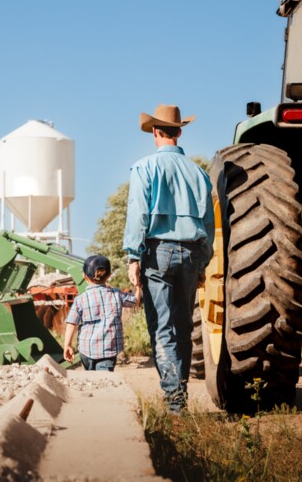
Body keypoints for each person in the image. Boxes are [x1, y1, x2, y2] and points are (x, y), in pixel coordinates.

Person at [123, 104, 214, 413]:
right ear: (179, 132)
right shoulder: (199, 173)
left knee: (163, 327)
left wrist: (133, 257)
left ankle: (175, 402)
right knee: (184, 326)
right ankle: (180, 394)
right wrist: (202, 262)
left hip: (157, 253)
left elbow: (138, 214)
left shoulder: (144, 168)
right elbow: (208, 223)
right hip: (191, 253)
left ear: (155, 133)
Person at [63, 254, 140, 371]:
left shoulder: (80, 299)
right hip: (107, 352)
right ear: (109, 275)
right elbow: (135, 301)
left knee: (92, 382)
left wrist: (67, 345)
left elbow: (71, 323)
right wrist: (137, 284)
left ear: (84, 276)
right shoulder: (116, 294)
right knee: (103, 383)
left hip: (86, 350)